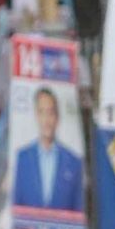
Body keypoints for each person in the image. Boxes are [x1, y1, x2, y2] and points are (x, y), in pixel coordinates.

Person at [13, 86, 84, 215]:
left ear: (57, 117)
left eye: (51, 113)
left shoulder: (74, 162)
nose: (46, 120)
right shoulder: (22, 158)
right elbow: (16, 206)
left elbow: (78, 213)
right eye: (42, 112)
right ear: (36, 116)